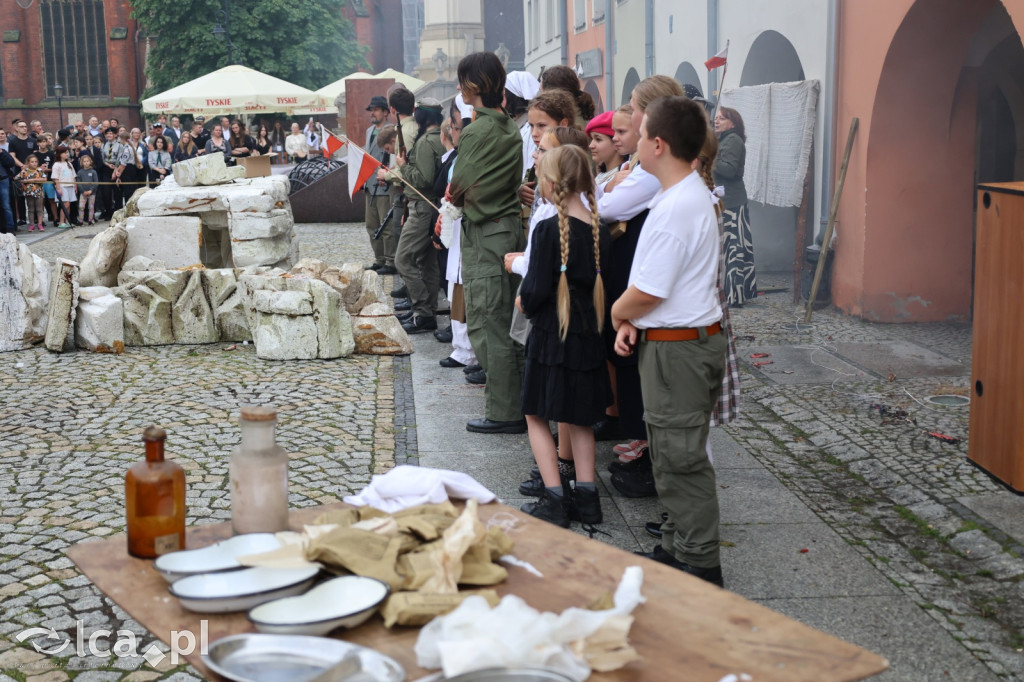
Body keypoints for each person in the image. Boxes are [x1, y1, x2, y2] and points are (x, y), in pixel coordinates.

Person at [611, 95, 725, 587]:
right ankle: (678, 547)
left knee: (680, 459)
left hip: (679, 349)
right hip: (672, 340)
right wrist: (636, 320)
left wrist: (619, 312)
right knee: (670, 450)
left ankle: (700, 565)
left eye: (639, 136)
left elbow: (650, 291)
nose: (633, 144)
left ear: (658, 144)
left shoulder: (679, 204)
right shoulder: (676, 195)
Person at [518, 144, 610, 527]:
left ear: (551, 181)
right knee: (580, 417)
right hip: (588, 333)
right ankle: (587, 497)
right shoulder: (596, 228)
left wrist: (523, 301)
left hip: (551, 333)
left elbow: (535, 290)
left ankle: (554, 496)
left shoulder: (545, 229)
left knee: (536, 413)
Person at [601, 76, 685, 485]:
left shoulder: (672, 192)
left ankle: (656, 469)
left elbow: (610, 206)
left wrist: (621, 311)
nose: (629, 121)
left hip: (675, 322)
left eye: (633, 111)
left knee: (669, 410)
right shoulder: (666, 185)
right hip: (656, 307)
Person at [449, 51, 527, 434]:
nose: (460, 88)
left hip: (486, 232)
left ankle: (504, 410)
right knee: (505, 321)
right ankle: (515, 403)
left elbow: (457, 185)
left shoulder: (478, 130)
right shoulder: (507, 125)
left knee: (487, 323)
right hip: (505, 227)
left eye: (462, 81)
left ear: (474, 86)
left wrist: (458, 198)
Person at [386, 98, 445, 333]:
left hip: (422, 207)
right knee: (427, 262)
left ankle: (422, 311)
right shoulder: (439, 139)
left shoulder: (425, 143)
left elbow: (423, 180)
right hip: (430, 208)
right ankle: (427, 311)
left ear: (422, 117)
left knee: (403, 259)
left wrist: (402, 165)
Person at [713, 106, 756, 306]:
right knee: (728, 249)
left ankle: (736, 296)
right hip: (725, 202)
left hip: (732, 203)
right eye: (717, 117)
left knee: (734, 250)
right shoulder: (722, 140)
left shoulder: (733, 141)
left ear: (733, 123)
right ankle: (729, 293)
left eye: (722, 118)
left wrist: (710, 157)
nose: (716, 120)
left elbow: (729, 170)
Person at [518, 89, 575, 209]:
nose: (534, 133)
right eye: (531, 126)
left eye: (541, 125)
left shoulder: (572, 157)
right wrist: (522, 190)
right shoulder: (539, 152)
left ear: (563, 124)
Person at [364, 95, 396, 274]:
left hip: (384, 183)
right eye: (371, 110)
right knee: (371, 224)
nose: (372, 113)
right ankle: (379, 258)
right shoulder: (369, 131)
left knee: (387, 226)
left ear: (385, 112)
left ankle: (390, 261)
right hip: (369, 184)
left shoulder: (391, 130)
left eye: (376, 110)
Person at [586, 111, 624, 185]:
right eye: (591, 139)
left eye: (598, 139)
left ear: (616, 142)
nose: (591, 145)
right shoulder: (601, 176)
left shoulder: (622, 178)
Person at [17, 155, 46, 231]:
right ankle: (31, 224)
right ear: (28, 163)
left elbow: (44, 179)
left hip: (38, 192)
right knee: (31, 209)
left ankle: (40, 224)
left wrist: (32, 180)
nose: (34, 163)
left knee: (39, 209)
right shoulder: (24, 171)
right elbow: (16, 178)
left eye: (36, 162)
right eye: (32, 162)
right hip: (29, 193)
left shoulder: (39, 170)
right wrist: (23, 182)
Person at [50, 145, 76, 228]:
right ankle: (61, 222)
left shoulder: (69, 164)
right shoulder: (56, 165)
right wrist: (58, 188)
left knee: (69, 205)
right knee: (65, 204)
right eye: (65, 153)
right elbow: (56, 178)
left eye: (67, 152)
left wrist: (75, 186)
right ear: (60, 154)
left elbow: (73, 176)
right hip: (63, 186)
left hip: (70, 186)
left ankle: (67, 220)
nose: (67, 154)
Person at [76, 154, 99, 225]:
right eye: (84, 161)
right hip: (83, 193)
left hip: (92, 193)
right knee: (81, 207)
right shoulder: (80, 172)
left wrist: (91, 190)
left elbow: (96, 182)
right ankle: (80, 220)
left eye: (87, 161)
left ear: (90, 162)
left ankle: (90, 220)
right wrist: (83, 191)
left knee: (91, 207)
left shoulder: (93, 172)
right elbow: (78, 183)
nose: (86, 163)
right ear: (82, 163)